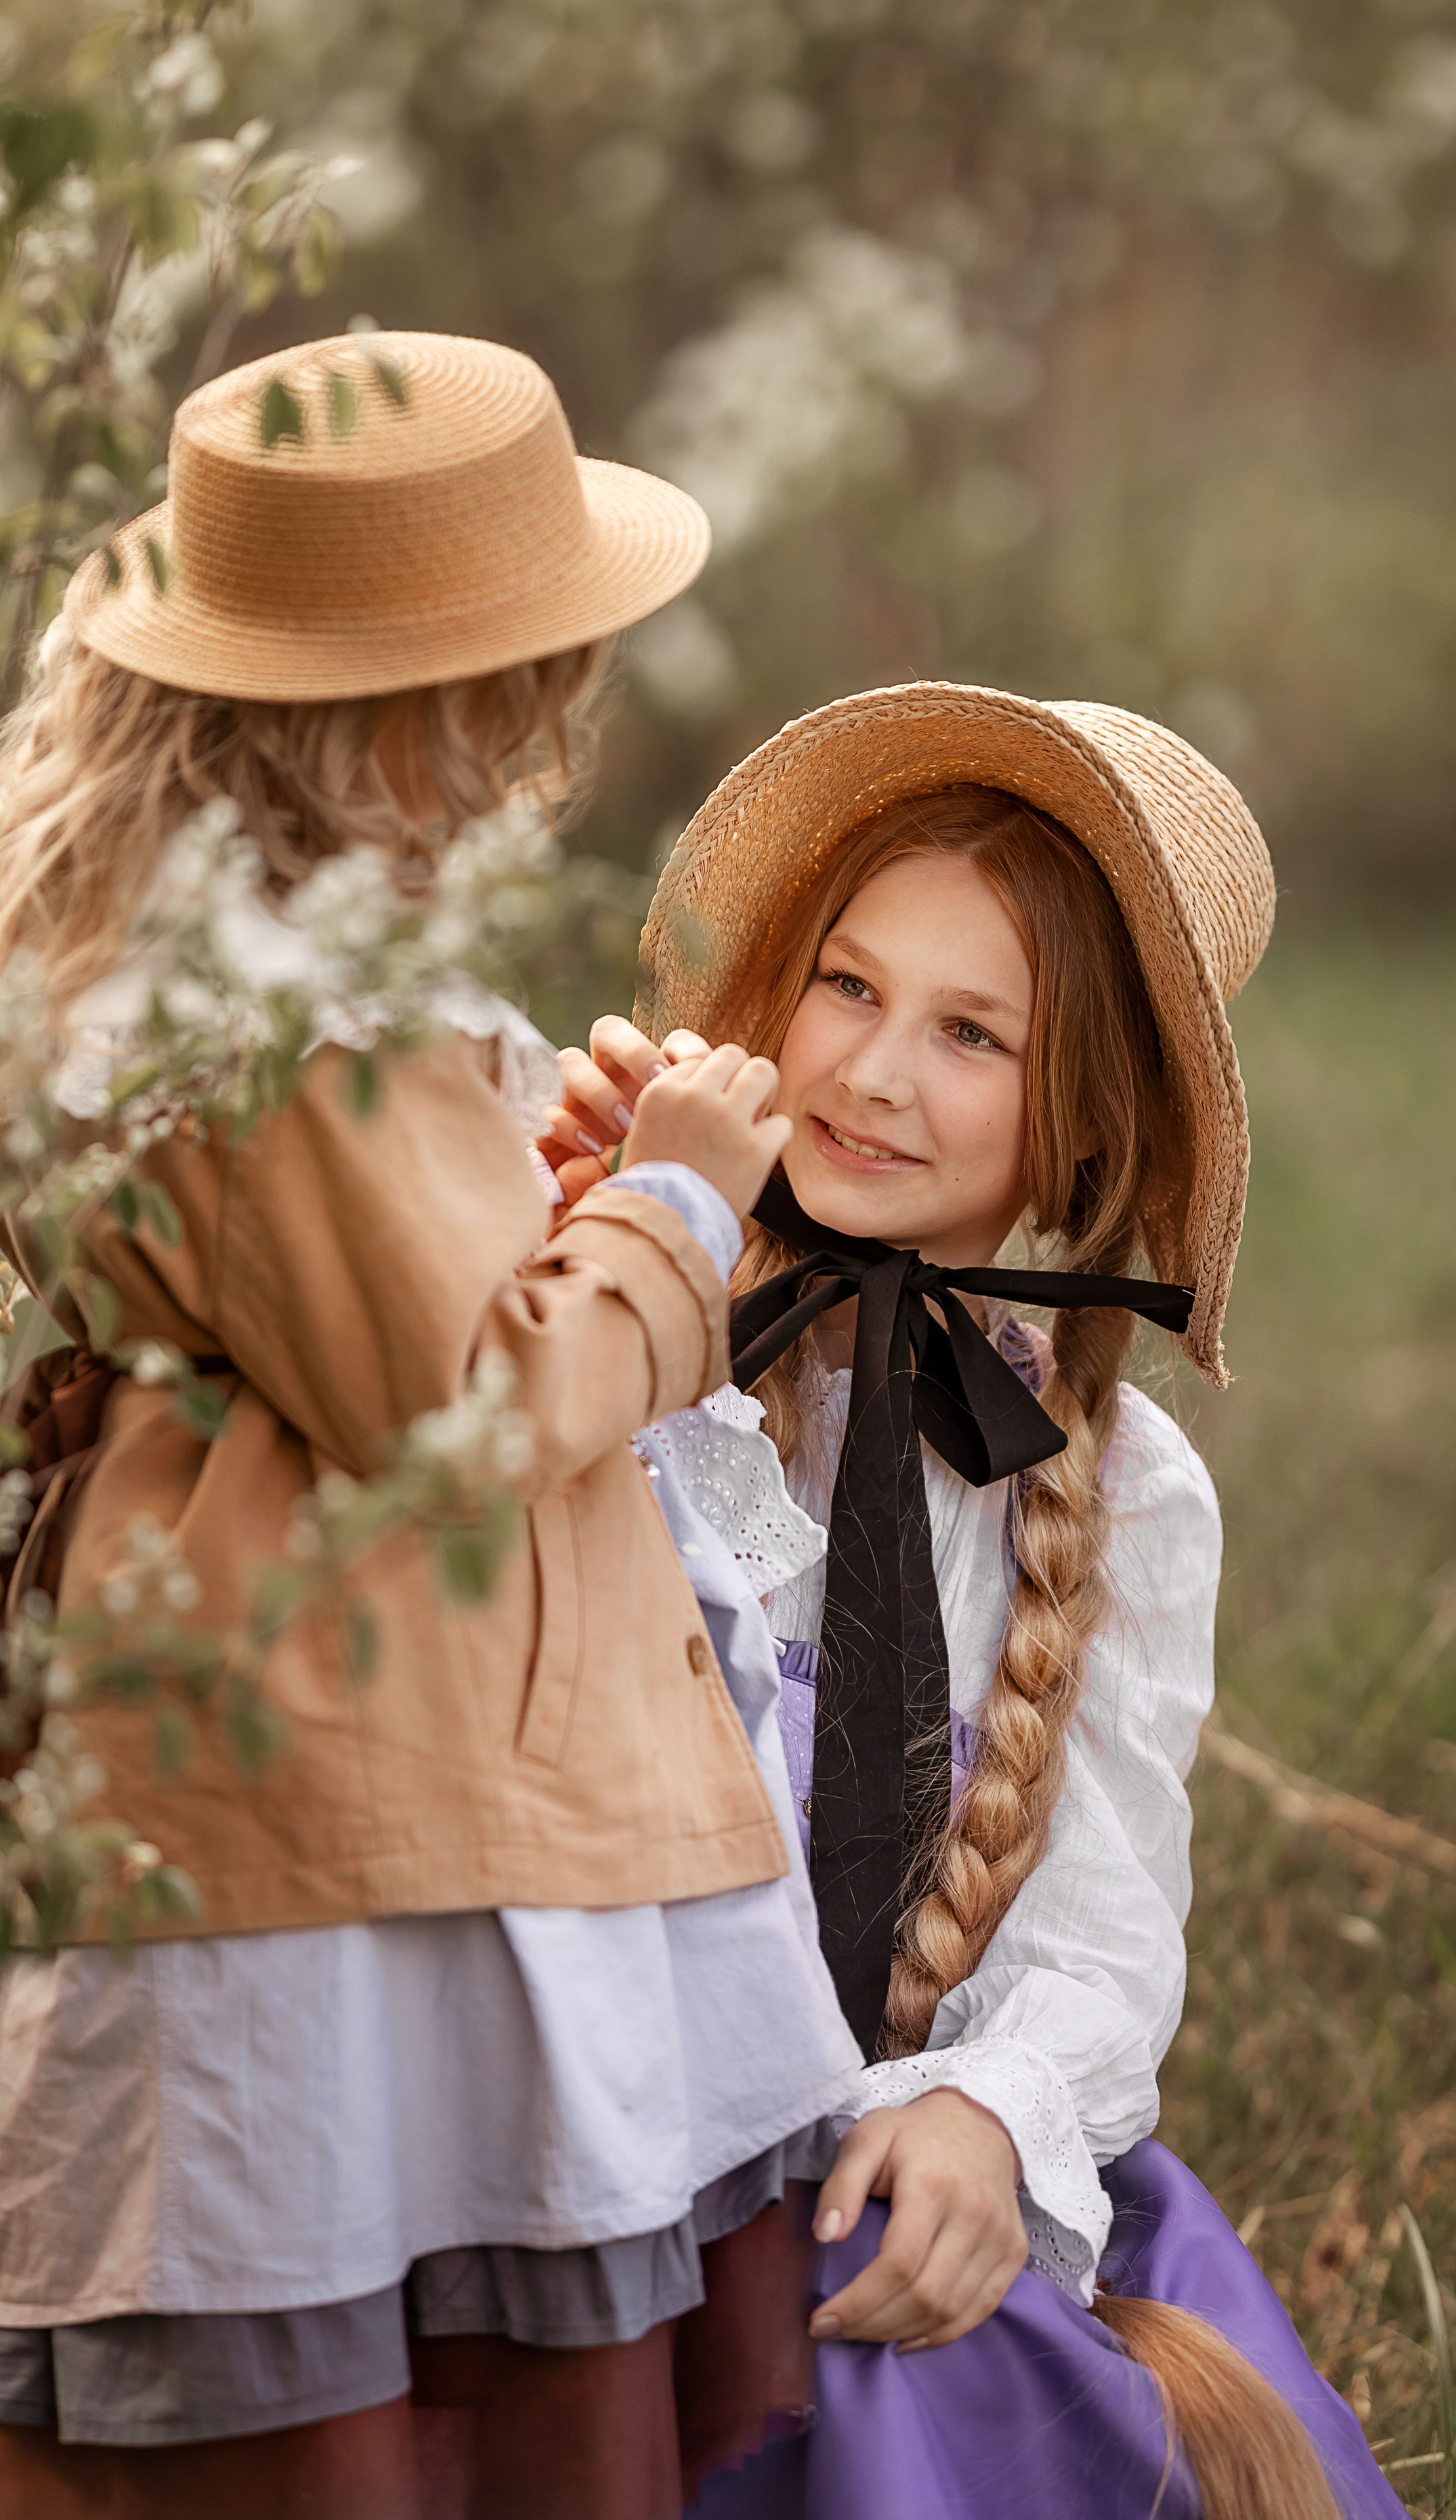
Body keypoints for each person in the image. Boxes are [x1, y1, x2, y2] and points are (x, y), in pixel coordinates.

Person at [0, 332, 864, 2520]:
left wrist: (550, 1199)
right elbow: (465, 1413)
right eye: (535, 684)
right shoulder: (310, 1019)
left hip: (257, 1743)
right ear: (439, 717)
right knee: (371, 2310)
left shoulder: (176, 983)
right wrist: (681, 1200)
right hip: (381, 1799)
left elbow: (366, 1312)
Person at [541, 682, 1404, 2518]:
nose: (869, 1073)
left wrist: (979, 2114)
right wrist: (600, 1248)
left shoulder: (1134, 1495)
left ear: (1078, 1123)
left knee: (966, 2335)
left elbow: (1101, 1924)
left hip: (950, 2131)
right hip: (628, 2131)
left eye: (971, 1034)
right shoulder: (640, 1350)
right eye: (847, 985)